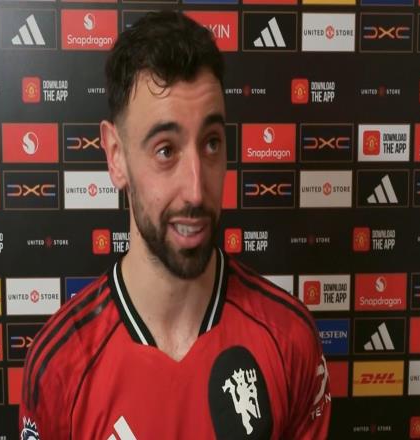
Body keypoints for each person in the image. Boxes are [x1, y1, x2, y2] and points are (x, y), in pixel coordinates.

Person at [19, 10, 331, 440]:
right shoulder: (60, 366)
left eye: (211, 144)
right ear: (116, 156)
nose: (196, 191)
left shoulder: (289, 338)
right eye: (165, 150)